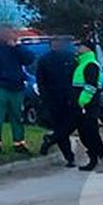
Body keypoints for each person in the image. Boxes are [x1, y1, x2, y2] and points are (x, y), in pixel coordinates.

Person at [0, 25, 33, 154]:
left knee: (17, 116)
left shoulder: (16, 49)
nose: (11, 35)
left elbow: (29, 59)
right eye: (9, 33)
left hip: (17, 88)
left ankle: (19, 143)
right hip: (0, 88)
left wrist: (17, 46)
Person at [35, 35, 79, 167]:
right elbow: (41, 81)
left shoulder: (71, 58)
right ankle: (69, 158)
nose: (57, 45)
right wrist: (44, 98)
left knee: (70, 125)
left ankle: (50, 139)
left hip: (69, 98)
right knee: (61, 127)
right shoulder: (44, 60)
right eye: (55, 43)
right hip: (54, 100)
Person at [72, 41, 103, 172]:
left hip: (89, 106)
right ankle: (93, 160)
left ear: (88, 49)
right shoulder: (81, 63)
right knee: (84, 134)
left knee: (92, 132)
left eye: (80, 46)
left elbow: (91, 86)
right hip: (81, 106)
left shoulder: (90, 64)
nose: (78, 48)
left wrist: (82, 100)